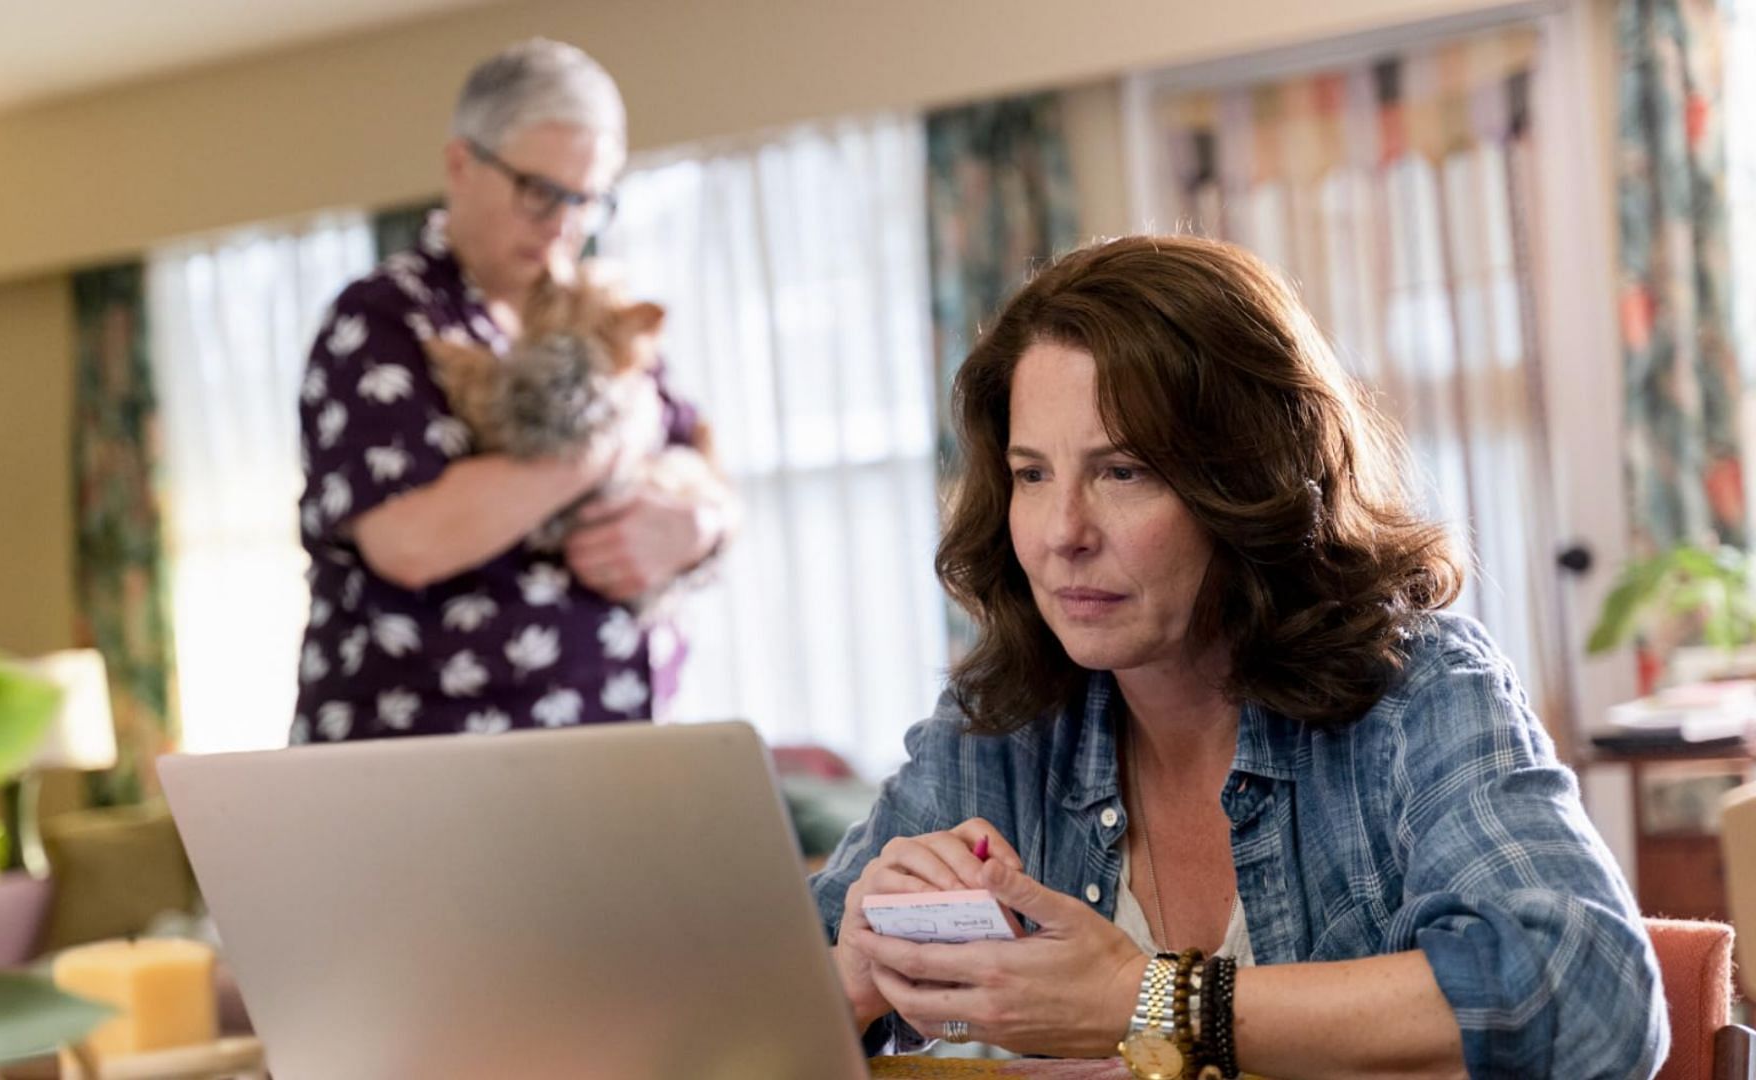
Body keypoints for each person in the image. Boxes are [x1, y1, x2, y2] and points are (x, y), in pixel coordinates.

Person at [810, 236, 1667, 1078]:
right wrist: (854, 976)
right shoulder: (999, 727)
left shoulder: (1418, 690)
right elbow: (725, 1017)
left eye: (1123, 471)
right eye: (1032, 475)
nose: (1062, 533)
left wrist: (1146, 1001)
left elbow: (1591, 1005)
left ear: (1250, 483)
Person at [291, 40, 731, 743]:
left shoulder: (603, 311)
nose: (563, 223)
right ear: (461, 164)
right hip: (431, 761)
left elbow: (705, 470)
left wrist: (699, 528)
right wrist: (605, 444)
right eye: (540, 191)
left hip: (616, 748)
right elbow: (410, 541)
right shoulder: (383, 318)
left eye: (586, 200)